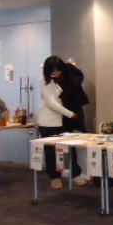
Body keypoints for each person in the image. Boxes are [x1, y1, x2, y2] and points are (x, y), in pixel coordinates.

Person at [37, 56, 87, 189]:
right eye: (53, 70)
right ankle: (54, 177)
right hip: (49, 122)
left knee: (70, 149)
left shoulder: (65, 78)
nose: (56, 72)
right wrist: (71, 114)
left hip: (64, 121)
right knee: (51, 152)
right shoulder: (45, 82)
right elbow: (52, 104)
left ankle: (75, 175)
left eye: (58, 69)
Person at [60, 60, 89, 133]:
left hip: (74, 101)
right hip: (67, 102)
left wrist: (72, 85)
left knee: (78, 125)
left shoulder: (68, 67)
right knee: (69, 127)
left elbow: (79, 76)